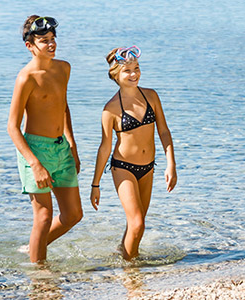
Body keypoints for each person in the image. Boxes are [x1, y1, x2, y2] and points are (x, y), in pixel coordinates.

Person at [87, 46, 178, 261]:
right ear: (115, 75)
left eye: (136, 68)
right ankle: (131, 272)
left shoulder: (151, 96)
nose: (134, 74)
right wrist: (95, 184)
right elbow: (104, 148)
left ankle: (123, 256)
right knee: (137, 224)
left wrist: (171, 164)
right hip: (123, 168)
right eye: (127, 71)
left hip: (148, 167)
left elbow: (164, 131)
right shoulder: (110, 109)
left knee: (136, 223)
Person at [8, 15, 82, 264]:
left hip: (61, 147)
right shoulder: (26, 77)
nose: (51, 44)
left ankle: (33, 247)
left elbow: (63, 107)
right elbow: (12, 127)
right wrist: (35, 164)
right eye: (44, 41)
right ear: (30, 46)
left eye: (53, 39)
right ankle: (39, 275)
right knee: (43, 216)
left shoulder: (64, 68)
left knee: (73, 214)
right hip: (35, 151)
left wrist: (72, 145)